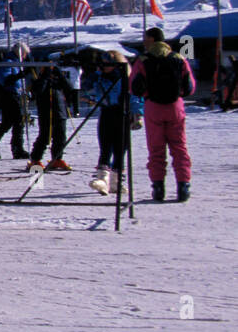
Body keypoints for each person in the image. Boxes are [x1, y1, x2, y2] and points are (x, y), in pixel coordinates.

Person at [130, 27, 195, 202]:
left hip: (153, 107)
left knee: (156, 149)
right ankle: (183, 187)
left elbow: (134, 87)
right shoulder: (178, 58)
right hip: (175, 106)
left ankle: (158, 188)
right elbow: (190, 87)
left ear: (151, 39)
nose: (143, 41)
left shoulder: (143, 60)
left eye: (145, 38)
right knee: (179, 147)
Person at [85, 51, 143, 195]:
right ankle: (103, 179)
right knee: (105, 146)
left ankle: (116, 181)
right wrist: (95, 75)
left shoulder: (125, 77)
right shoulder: (100, 78)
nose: (104, 67)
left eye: (107, 64)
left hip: (122, 114)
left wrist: (138, 115)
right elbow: (87, 88)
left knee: (120, 149)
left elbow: (135, 97)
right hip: (106, 112)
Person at [28, 63, 77, 173]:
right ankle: (36, 159)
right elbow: (38, 90)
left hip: (60, 112)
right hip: (46, 112)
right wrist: (45, 76)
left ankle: (57, 158)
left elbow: (69, 87)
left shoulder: (57, 81)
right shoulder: (39, 80)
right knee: (44, 137)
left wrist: (61, 75)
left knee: (60, 137)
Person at [0, 43, 30, 160]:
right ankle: (17, 149)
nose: (25, 57)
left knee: (8, 122)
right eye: (25, 54)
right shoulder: (9, 62)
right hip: (9, 94)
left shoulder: (16, 63)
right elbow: (4, 79)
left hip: (15, 94)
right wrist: (18, 76)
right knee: (18, 121)